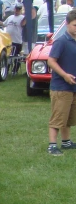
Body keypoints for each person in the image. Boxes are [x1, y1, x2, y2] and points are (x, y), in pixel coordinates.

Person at [45, 10, 76, 155]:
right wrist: (64, 75)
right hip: (61, 86)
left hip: (73, 87)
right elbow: (51, 61)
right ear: (67, 24)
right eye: (75, 25)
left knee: (68, 117)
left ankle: (66, 141)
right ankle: (52, 145)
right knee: (58, 117)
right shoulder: (61, 41)